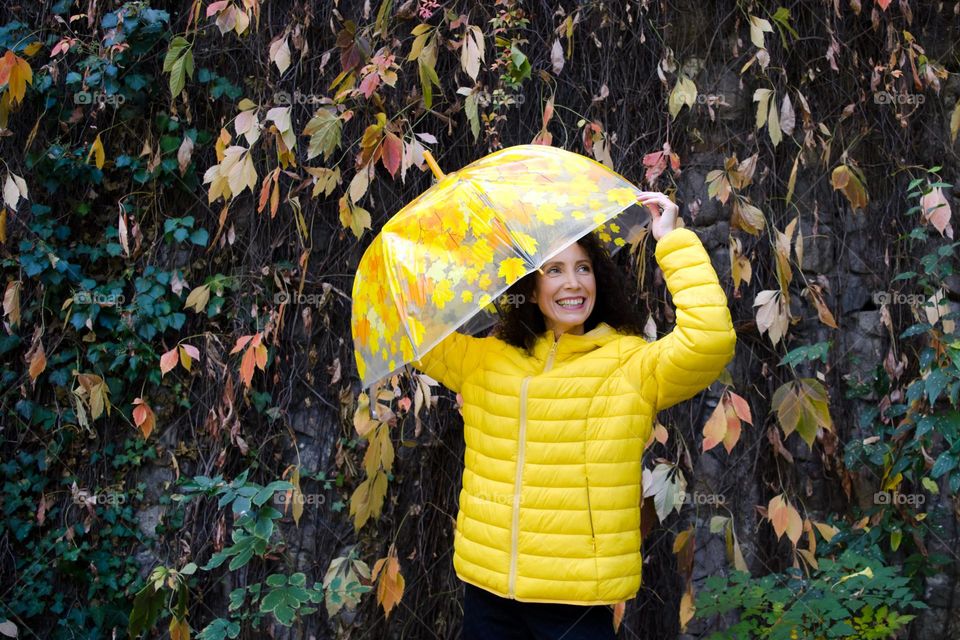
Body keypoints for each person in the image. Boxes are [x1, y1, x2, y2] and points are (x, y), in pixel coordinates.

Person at [411, 192, 737, 639]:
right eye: (554, 270)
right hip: (487, 592)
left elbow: (710, 342)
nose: (573, 283)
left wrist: (672, 242)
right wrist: (457, 243)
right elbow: (418, 326)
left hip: (576, 603)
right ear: (530, 285)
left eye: (583, 268)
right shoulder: (487, 360)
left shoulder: (628, 365)